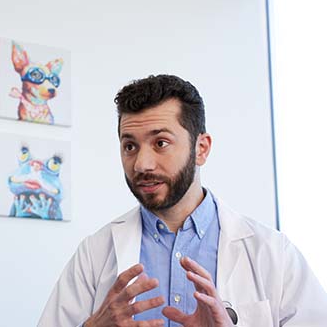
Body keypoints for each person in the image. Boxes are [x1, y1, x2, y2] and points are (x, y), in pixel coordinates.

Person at [38, 74, 327, 326]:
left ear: (201, 149)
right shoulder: (95, 254)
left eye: (160, 143)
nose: (142, 164)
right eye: (130, 146)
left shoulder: (273, 253)